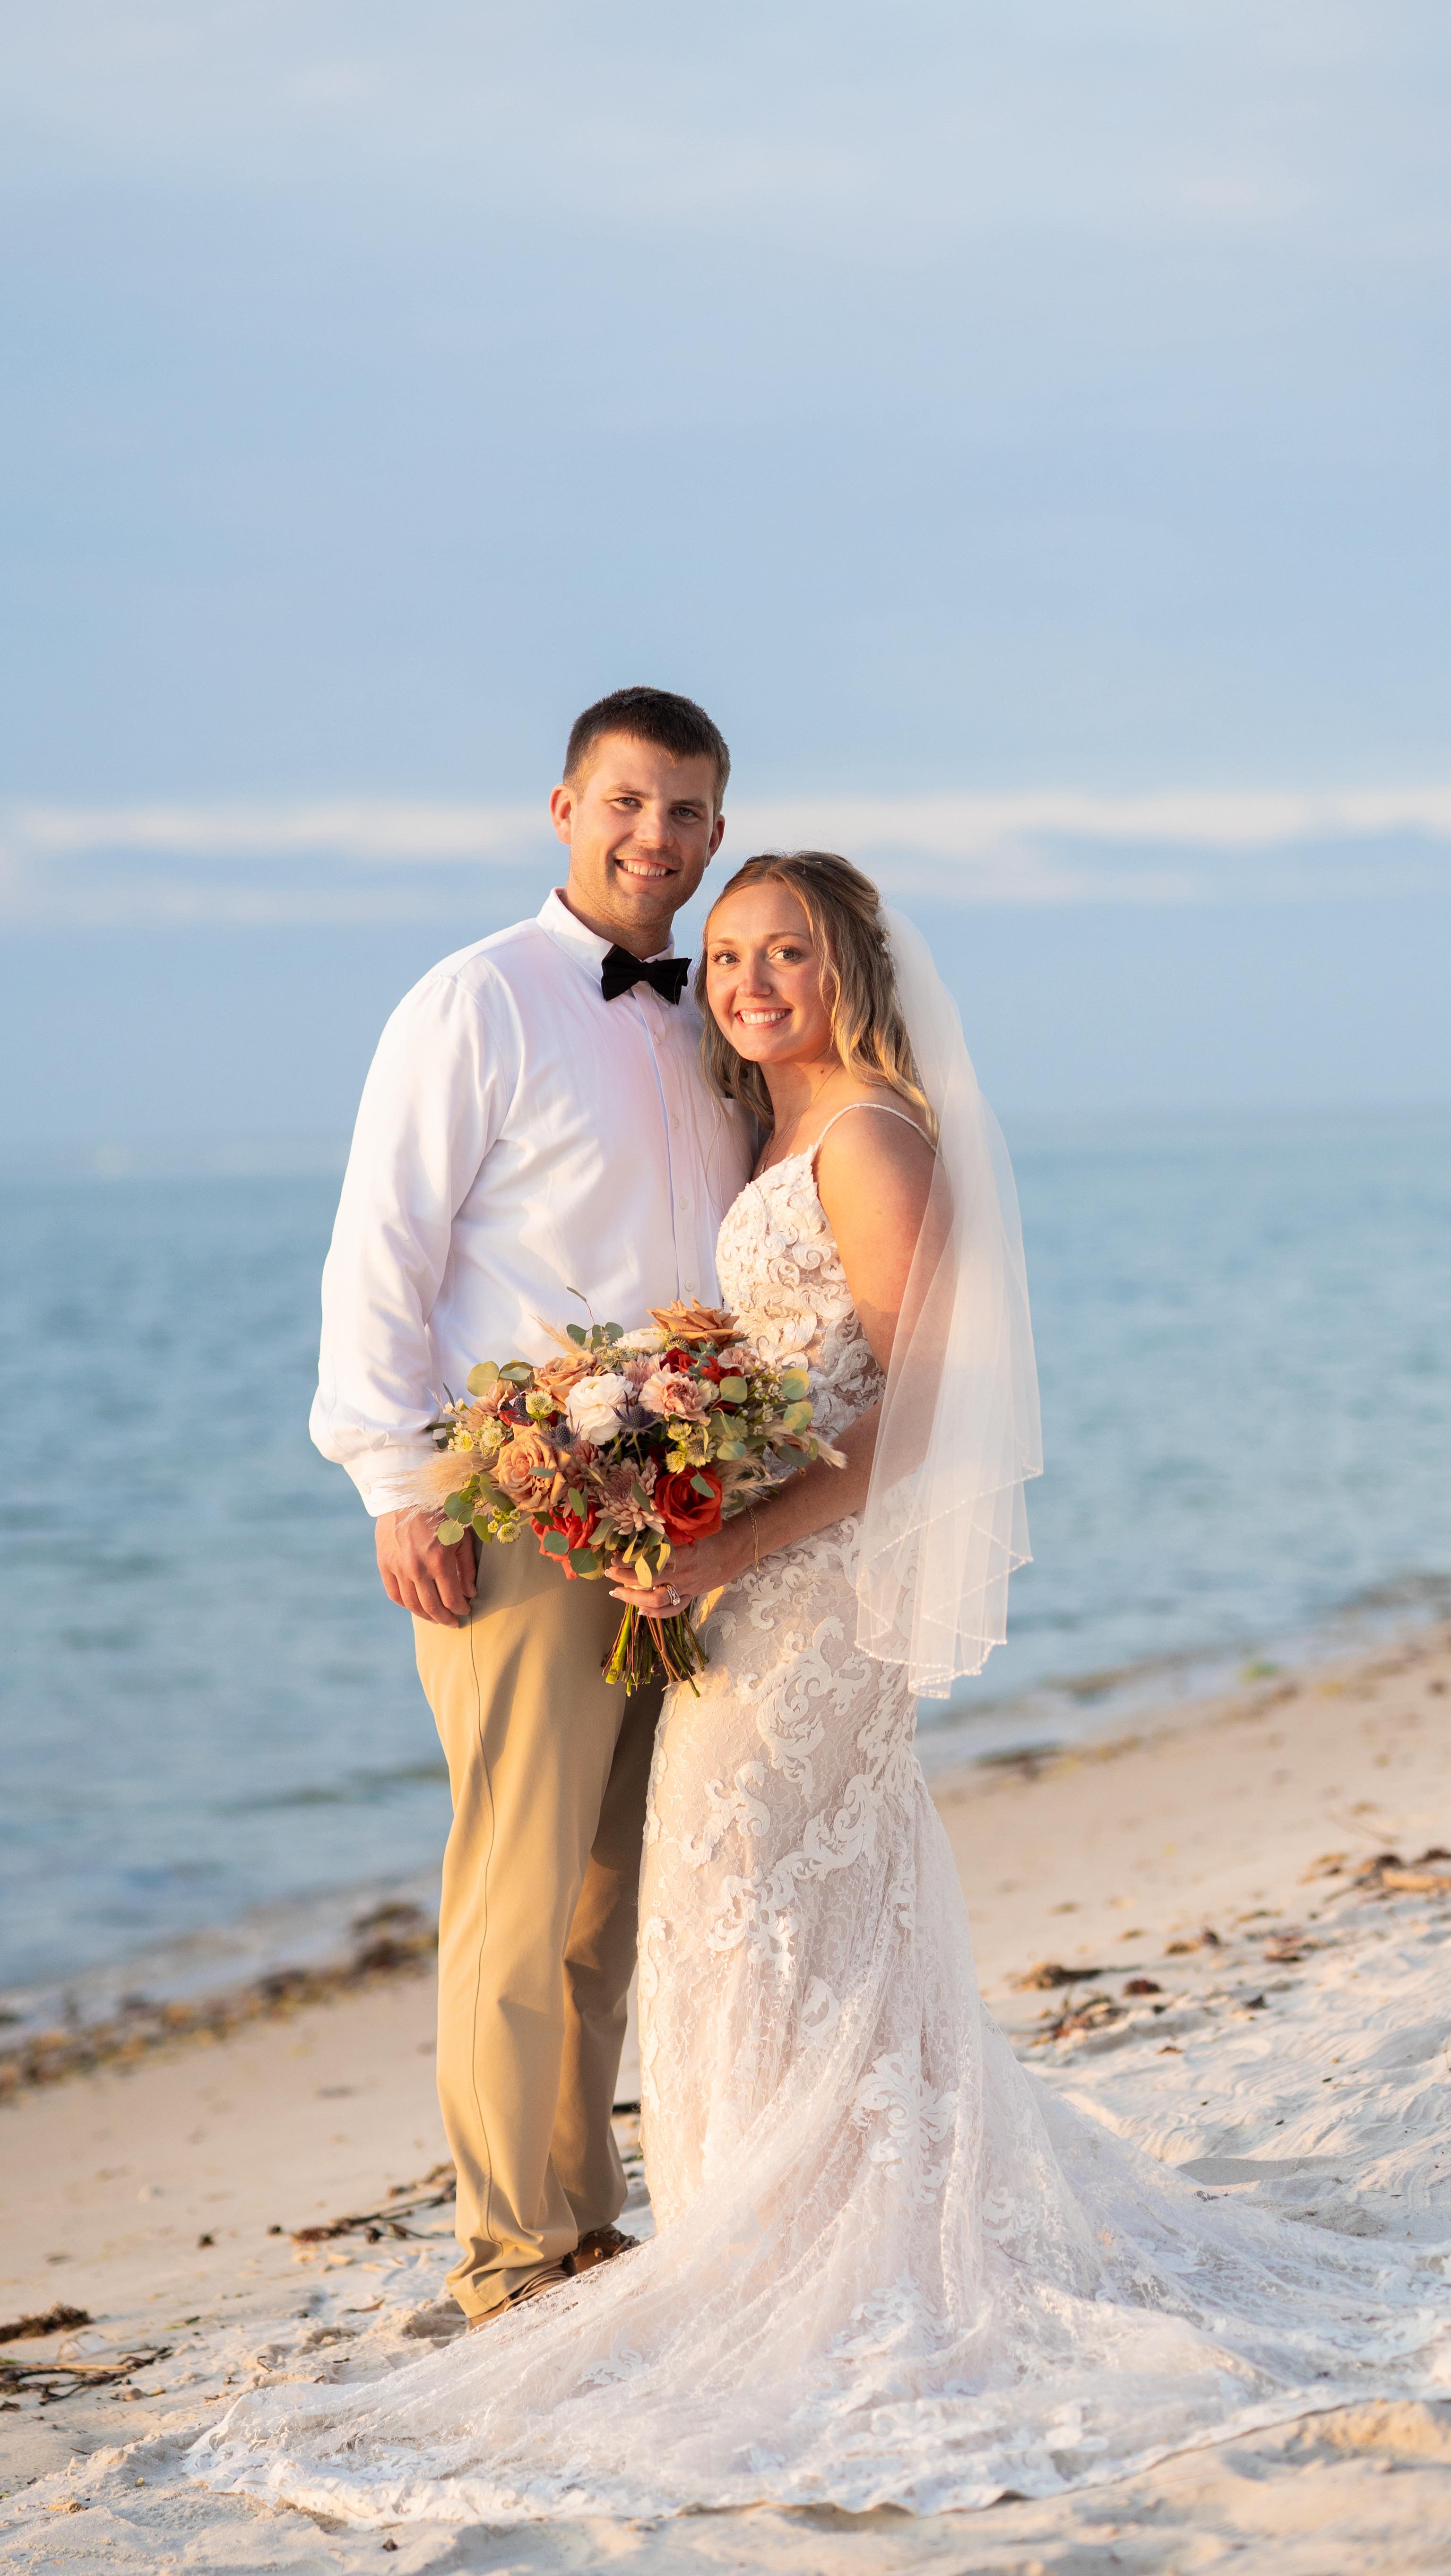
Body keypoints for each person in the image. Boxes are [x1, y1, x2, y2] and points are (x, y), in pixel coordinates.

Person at [202, 853, 1449, 2522]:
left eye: (787, 950)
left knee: (739, 1893)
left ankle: (785, 2240)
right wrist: (650, 1483)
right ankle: (751, 2222)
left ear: (853, 966)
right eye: (732, 952)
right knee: (742, 1907)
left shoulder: (866, 1138)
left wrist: (726, 1545)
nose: (751, 977)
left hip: (808, 1605)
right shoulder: (766, 1124)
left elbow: (918, 1412)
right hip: (749, 1586)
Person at [308, 685, 752, 2328]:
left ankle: (581, 2223)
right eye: (631, 803)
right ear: (563, 810)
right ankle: (507, 2254)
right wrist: (396, 1483)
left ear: (718, 833)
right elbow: (383, 1256)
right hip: (516, 1501)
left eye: (691, 812)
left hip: (681, 1508)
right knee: (512, 1880)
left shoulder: (709, 1014)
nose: (659, 837)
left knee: (608, 1888)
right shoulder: (471, 1002)